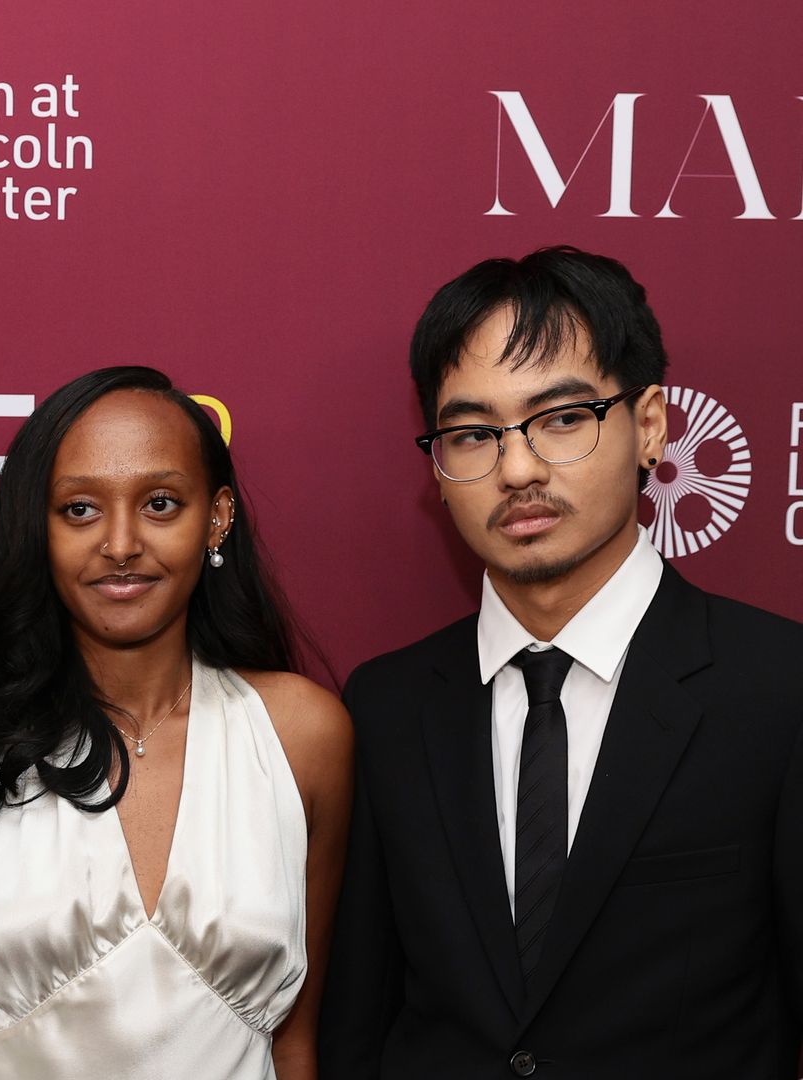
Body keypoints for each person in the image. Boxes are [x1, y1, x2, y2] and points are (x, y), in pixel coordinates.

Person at [319, 246, 803, 1078]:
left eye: (563, 419)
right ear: (437, 464)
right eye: (474, 434)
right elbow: (360, 1019)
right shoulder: (388, 705)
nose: (518, 469)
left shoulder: (779, 687)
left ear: (649, 426)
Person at [0, 365, 353, 1079]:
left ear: (217, 517)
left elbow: (292, 1045)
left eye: (161, 503)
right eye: (79, 510)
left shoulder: (302, 734)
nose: (122, 542)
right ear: (36, 527)